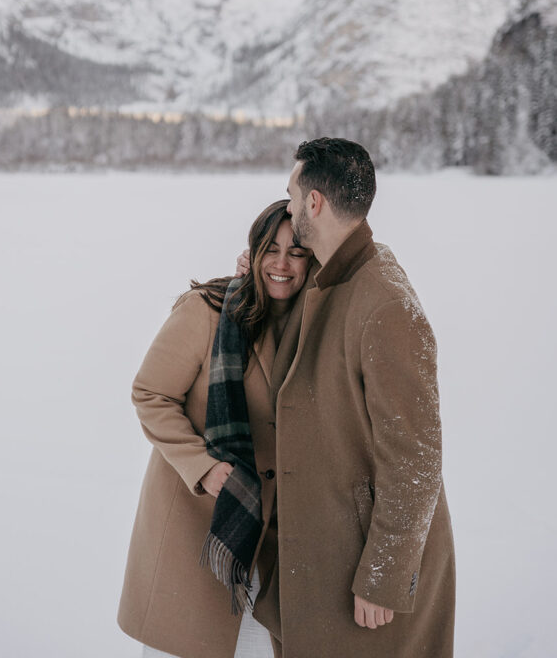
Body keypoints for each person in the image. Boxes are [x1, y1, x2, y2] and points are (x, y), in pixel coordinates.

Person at [241, 138, 455, 658]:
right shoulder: (337, 271)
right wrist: (254, 271)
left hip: (364, 575)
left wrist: (384, 576)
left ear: (314, 202)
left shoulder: (385, 304)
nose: (288, 207)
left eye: (292, 196)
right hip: (317, 554)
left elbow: (417, 459)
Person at [117, 200, 313, 658]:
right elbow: (151, 394)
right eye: (271, 248)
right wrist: (201, 466)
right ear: (253, 250)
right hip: (199, 525)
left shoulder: (315, 326)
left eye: (297, 251)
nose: (281, 263)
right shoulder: (207, 310)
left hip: (277, 539)